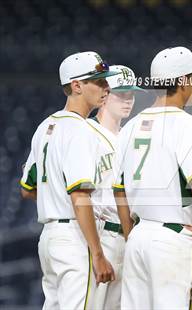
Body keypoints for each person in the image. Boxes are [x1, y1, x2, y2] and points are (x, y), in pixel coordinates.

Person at [114, 46, 192, 309]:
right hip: (172, 239)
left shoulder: (130, 126)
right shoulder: (189, 125)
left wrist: (130, 235)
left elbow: (119, 191)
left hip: (138, 237)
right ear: (183, 81)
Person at [20, 51, 117, 309]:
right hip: (75, 236)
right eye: (98, 81)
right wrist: (97, 254)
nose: (106, 87)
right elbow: (79, 196)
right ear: (76, 85)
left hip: (50, 238)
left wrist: (57, 197)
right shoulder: (81, 130)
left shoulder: (45, 127)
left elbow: (27, 189)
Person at [88, 65, 142, 310]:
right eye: (121, 93)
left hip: (130, 237)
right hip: (101, 235)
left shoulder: (131, 136)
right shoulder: (86, 133)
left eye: (131, 94)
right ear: (105, 94)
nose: (128, 100)